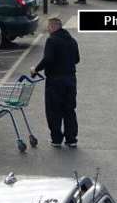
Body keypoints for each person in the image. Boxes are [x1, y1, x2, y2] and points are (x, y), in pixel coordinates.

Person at [31, 17, 80, 148]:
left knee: (54, 110)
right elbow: (76, 59)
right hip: (70, 79)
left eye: (48, 27)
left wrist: (36, 69)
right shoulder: (71, 40)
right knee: (69, 110)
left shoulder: (52, 40)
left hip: (55, 81)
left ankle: (57, 139)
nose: (47, 29)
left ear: (53, 27)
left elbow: (48, 59)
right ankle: (71, 139)